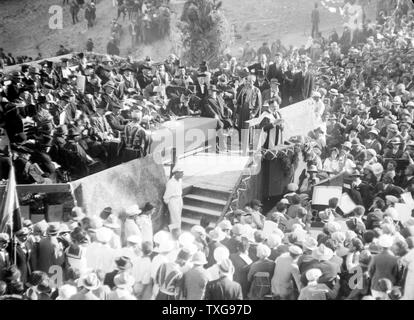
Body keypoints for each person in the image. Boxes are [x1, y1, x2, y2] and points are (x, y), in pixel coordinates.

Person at [163, 166, 184, 232]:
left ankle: (177, 231)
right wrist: (168, 203)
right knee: (175, 218)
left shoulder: (180, 180)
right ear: (176, 173)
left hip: (179, 199)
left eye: (182, 172)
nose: (182, 174)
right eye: (180, 173)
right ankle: (174, 233)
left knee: (178, 218)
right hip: (173, 201)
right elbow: (166, 196)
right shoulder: (170, 183)